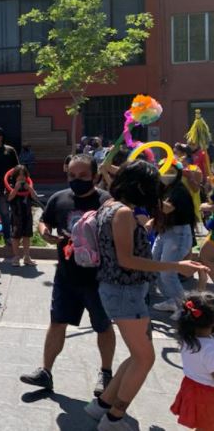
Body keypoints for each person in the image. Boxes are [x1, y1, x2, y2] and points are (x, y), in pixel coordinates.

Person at [84, 161, 207, 430]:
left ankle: (102, 405)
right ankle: (114, 418)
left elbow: (125, 246)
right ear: (140, 187)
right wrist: (176, 266)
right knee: (145, 358)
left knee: (138, 354)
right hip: (125, 291)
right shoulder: (123, 213)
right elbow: (127, 260)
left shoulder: (110, 206)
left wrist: (144, 228)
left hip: (122, 290)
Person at [20, 154, 115, 396]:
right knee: (57, 322)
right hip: (66, 276)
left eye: (83, 176)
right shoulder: (59, 199)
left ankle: (106, 373)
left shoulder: (106, 202)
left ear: (95, 176)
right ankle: (46, 372)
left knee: (102, 326)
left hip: (97, 279)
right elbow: (44, 222)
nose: (77, 180)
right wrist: (45, 233)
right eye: (72, 175)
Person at [152, 164, 197, 319]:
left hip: (178, 234)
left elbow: (167, 208)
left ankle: (183, 306)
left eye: (170, 171)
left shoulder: (179, 190)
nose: (166, 174)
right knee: (155, 266)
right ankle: (172, 300)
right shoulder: (164, 188)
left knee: (168, 272)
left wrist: (149, 197)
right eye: (163, 170)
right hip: (164, 231)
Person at [170, 291, 214, 430]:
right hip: (208, 396)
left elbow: (198, 304)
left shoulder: (187, 339)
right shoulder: (209, 350)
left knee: (203, 425)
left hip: (192, 389)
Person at [6, 165, 39, 267]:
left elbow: (36, 197)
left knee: (26, 236)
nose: (21, 178)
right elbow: (9, 198)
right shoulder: (11, 185)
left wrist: (29, 188)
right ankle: (16, 257)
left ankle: (27, 257)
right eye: (19, 175)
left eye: (23, 175)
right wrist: (15, 189)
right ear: (15, 176)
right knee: (16, 237)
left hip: (27, 214)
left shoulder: (28, 185)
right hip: (16, 215)